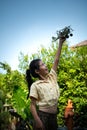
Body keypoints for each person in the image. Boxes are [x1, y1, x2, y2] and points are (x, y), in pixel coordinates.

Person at [26, 37, 66, 130]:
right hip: (42, 117)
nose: (46, 65)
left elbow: (56, 60)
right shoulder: (35, 85)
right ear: (37, 71)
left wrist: (60, 43)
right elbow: (32, 105)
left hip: (53, 116)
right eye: (43, 64)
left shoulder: (52, 77)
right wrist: (38, 121)